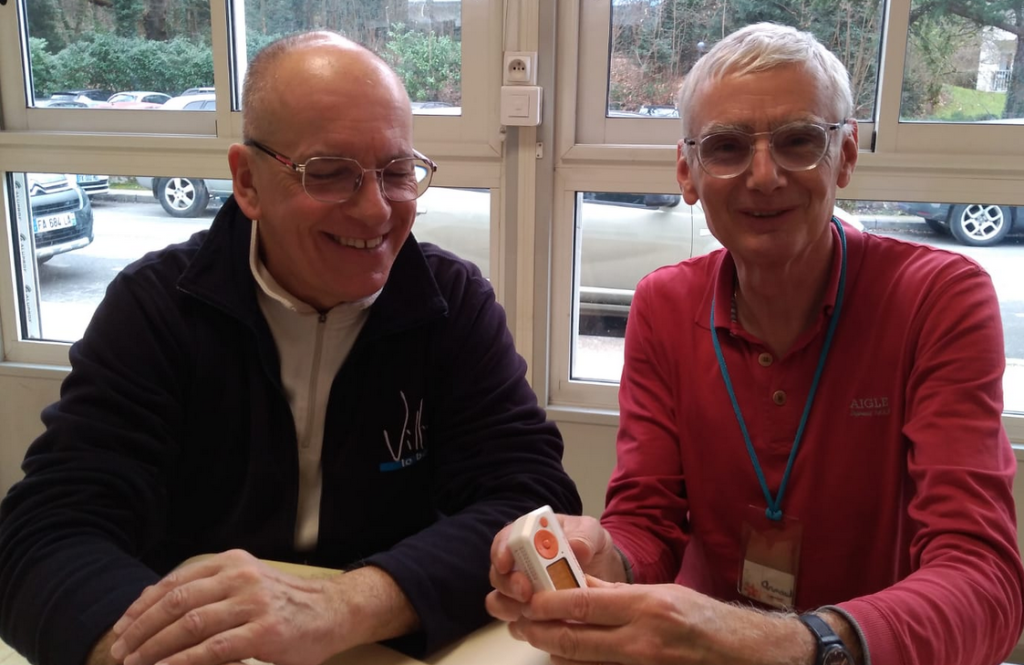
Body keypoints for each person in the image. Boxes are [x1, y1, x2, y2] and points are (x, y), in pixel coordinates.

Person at [0, 31, 581, 665]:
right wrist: (157, 651)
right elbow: (45, 533)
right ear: (247, 182)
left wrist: (348, 604)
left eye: (396, 173)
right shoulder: (157, 308)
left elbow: (528, 497)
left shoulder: (451, 303)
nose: (375, 211)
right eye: (329, 174)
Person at [487, 22, 1024, 665]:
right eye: (727, 147)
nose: (764, 176)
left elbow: (985, 583)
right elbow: (649, 521)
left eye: (799, 141)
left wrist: (796, 645)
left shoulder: (936, 298)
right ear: (687, 172)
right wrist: (608, 556)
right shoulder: (664, 305)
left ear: (846, 154)